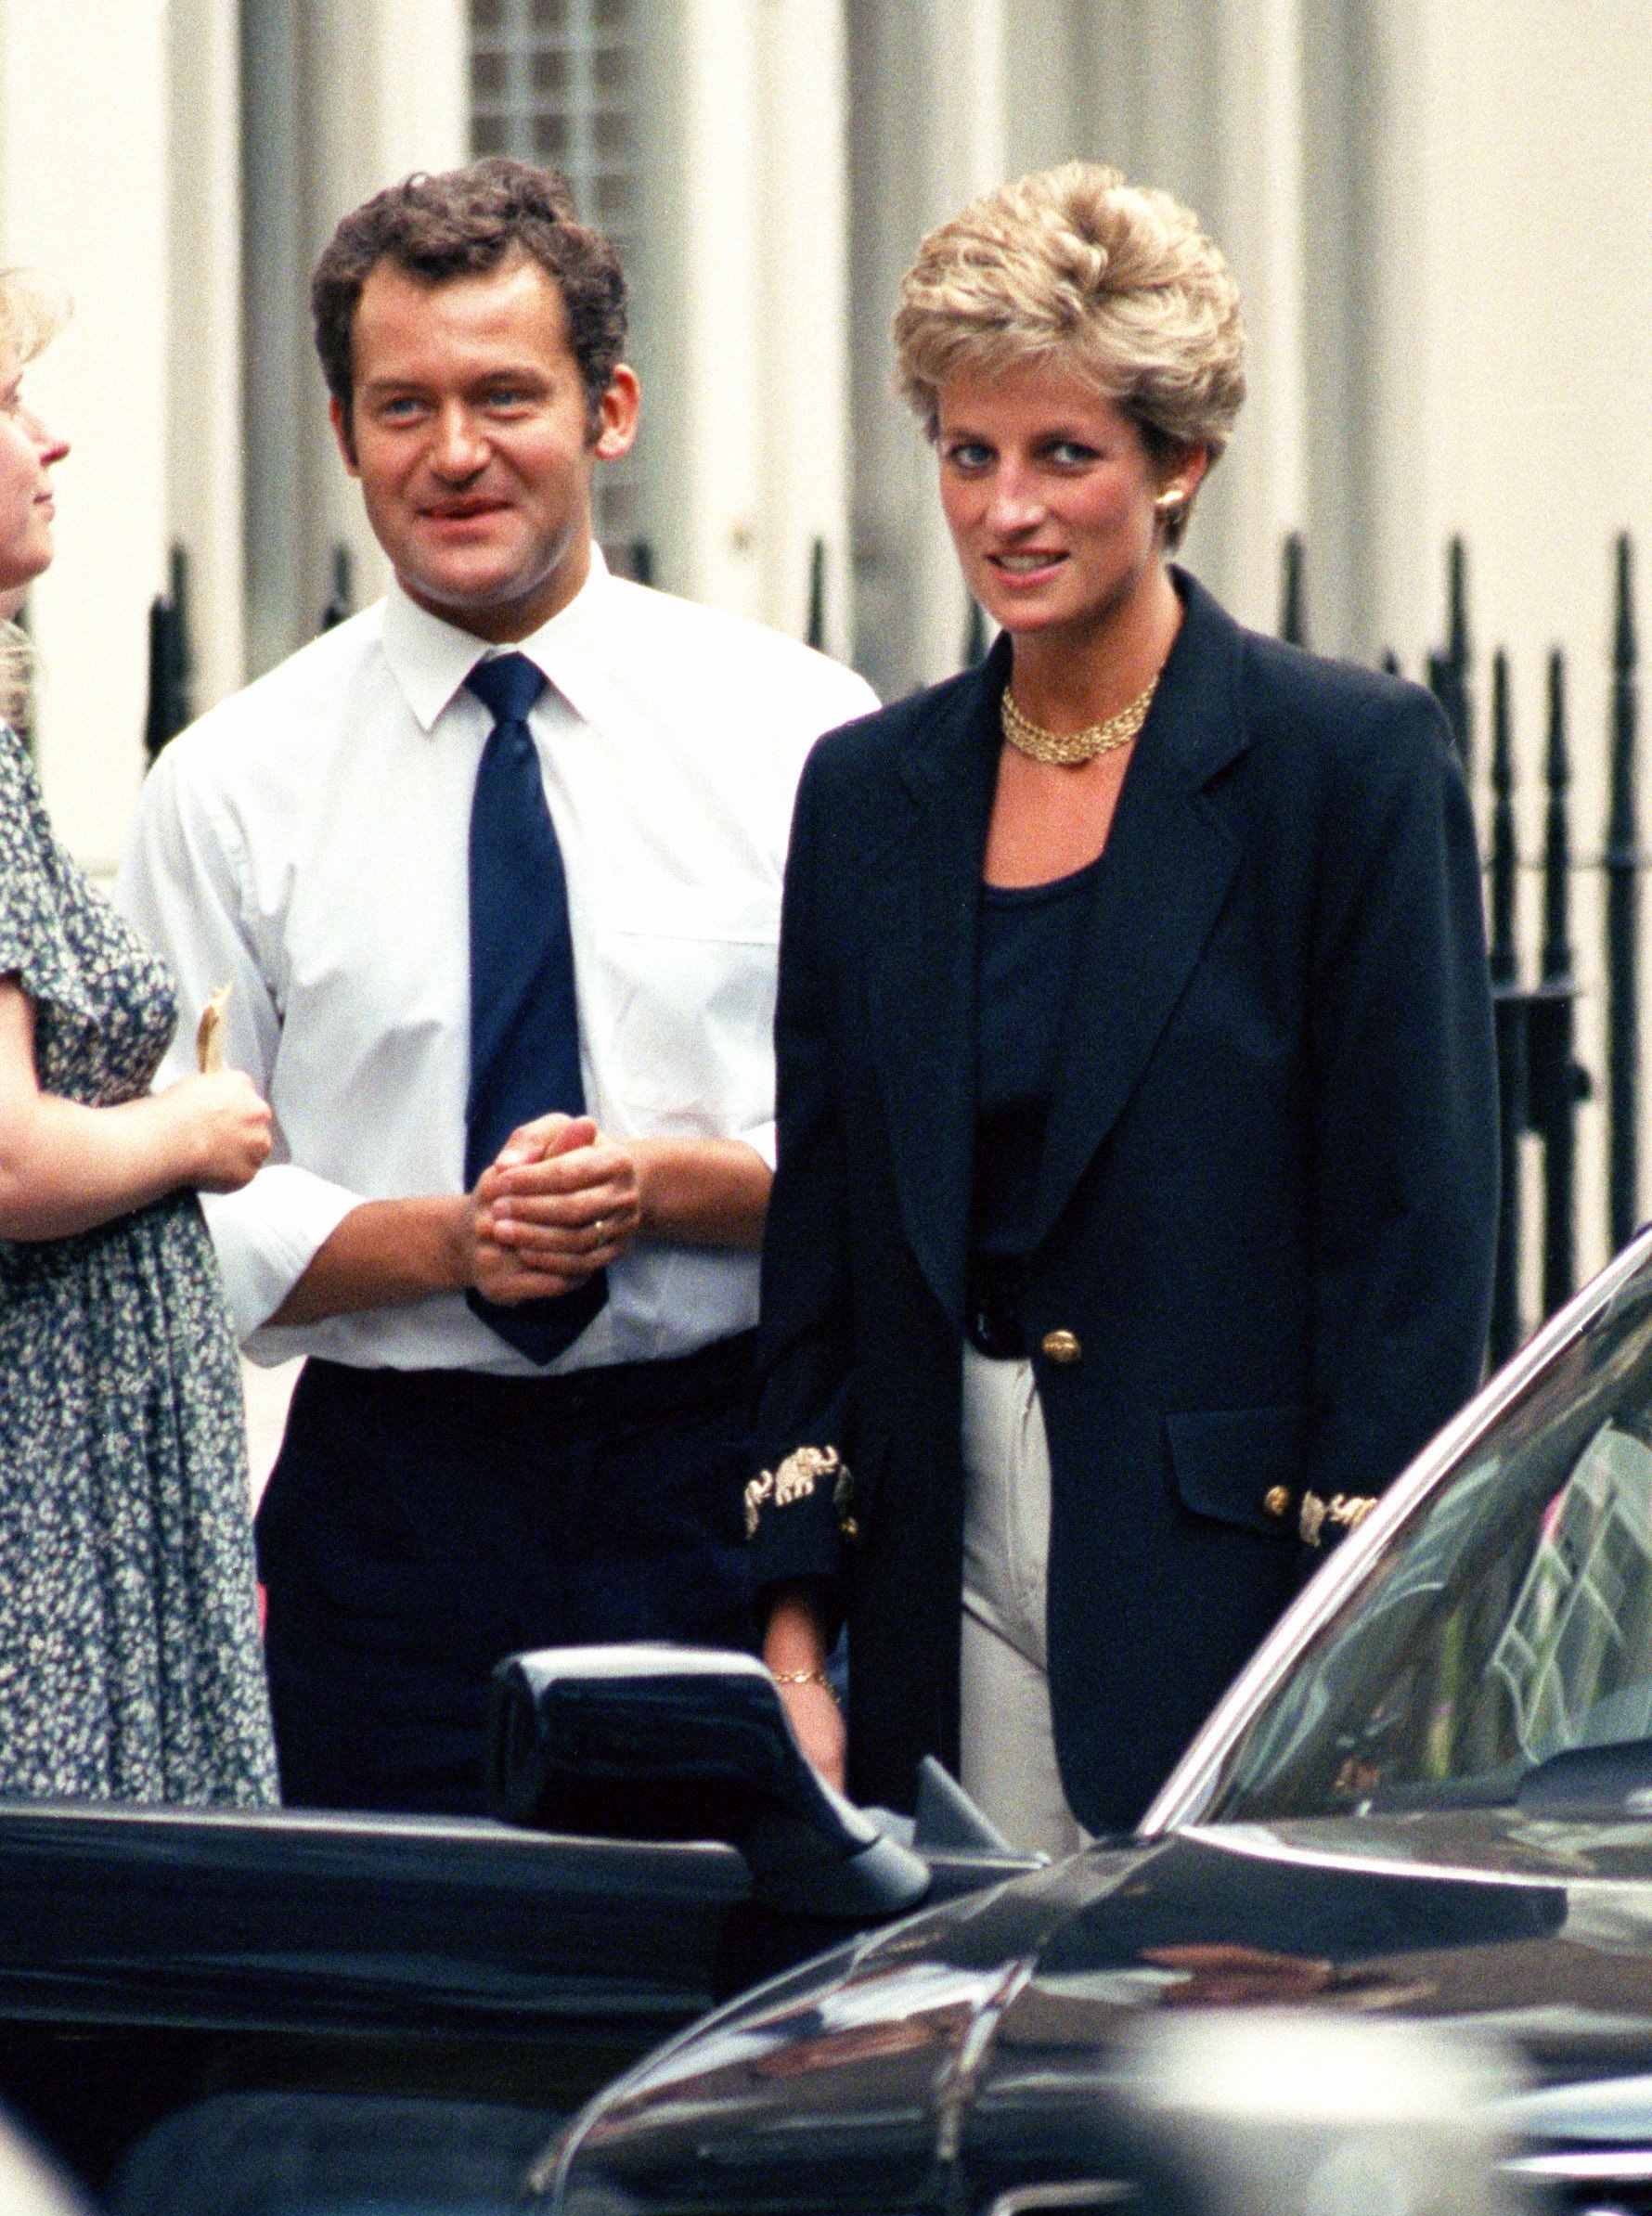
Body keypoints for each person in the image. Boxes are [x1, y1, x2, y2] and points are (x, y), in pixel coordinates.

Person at [748, 162, 1498, 1853]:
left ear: (1179, 467)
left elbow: (1412, 1247)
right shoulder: (867, 793)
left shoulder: (1349, 766)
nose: (1007, 510)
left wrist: (1350, 1676)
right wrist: (795, 1640)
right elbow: (825, 1240)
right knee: (976, 1995)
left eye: (1063, 455)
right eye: (969, 454)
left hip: (1229, 1588)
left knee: (1179, 2008)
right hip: (930, 1564)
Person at [117, 160, 875, 1816]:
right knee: (400, 1958)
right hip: (392, 1518)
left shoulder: (803, 739)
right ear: (345, 435)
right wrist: (452, 1243)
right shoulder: (231, 788)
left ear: (610, 410)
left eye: (505, 397)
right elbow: (167, 1206)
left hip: (722, 1491)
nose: (454, 452)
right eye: (405, 406)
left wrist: (661, 1190)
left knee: (724, 1957)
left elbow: (888, 1160)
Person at [0, 275, 278, 1805]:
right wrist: (195, 1130)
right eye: (8, 405)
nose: (50, 440)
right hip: (42, 1501)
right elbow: (10, 1159)